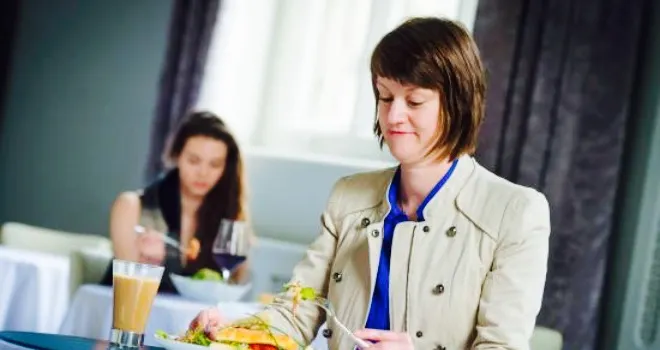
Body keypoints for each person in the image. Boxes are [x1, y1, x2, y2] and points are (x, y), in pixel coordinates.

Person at [190, 17, 551, 350]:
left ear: (457, 105)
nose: (394, 115)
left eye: (414, 100)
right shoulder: (348, 196)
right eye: (385, 96)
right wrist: (232, 329)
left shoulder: (516, 212)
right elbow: (295, 314)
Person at [100, 111, 251, 293]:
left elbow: (231, 284)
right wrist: (147, 264)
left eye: (215, 164)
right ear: (177, 156)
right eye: (194, 161)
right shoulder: (131, 206)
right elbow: (128, 291)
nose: (203, 173)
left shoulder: (229, 218)